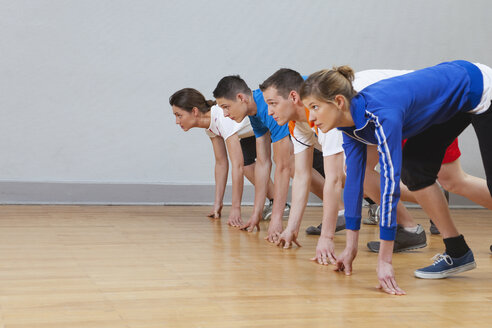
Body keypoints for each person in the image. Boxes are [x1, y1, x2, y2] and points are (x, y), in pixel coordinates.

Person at [300, 60, 492, 295]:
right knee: (417, 171)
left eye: (315, 107)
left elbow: (390, 186)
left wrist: (385, 261)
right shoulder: (349, 127)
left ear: (338, 102)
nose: (310, 118)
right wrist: (351, 248)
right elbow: (354, 183)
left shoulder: (381, 115)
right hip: (455, 99)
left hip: (480, 87)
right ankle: (458, 251)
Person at [213, 76, 326, 242]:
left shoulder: (268, 107)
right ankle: (341, 211)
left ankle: (342, 210)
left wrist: (276, 219)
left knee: (292, 164)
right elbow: (263, 163)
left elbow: (282, 167)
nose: (225, 113)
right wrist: (255, 214)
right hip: (310, 120)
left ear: (240, 98)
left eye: (226, 107)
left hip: (328, 102)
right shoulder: (254, 114)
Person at [169, 88, 277, 226]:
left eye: (179, 115)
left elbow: (236, 166)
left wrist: (235, 209)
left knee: (244, 164)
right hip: (252, 131)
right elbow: (221, 163)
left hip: (270, 121)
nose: (177, 121)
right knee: (246, 164)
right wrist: (217, 204)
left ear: (195, 111)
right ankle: (278, 203)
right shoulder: (210, 126)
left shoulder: (222, 117)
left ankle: (279, 204)